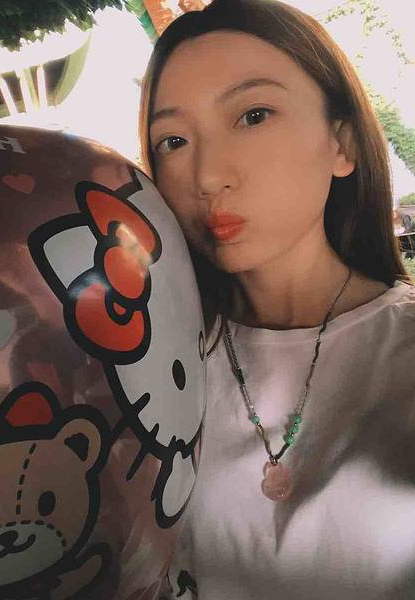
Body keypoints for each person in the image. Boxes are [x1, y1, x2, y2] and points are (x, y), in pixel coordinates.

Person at [137, 1, 415, 598]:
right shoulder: (148, 369)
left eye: (253, 115)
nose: (207, 176)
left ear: (342, 143)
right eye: (174, 140)